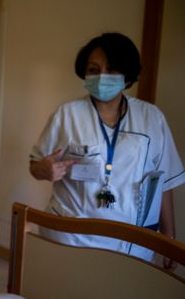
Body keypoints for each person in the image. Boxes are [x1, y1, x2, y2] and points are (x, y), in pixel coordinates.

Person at [29, 32, 184, 267]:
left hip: (130, 241)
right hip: (72, 236)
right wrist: (44, 170)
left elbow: (164, 181)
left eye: (111, 70)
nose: (102, 77)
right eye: (93, 70)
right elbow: (36, 166)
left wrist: (169, 239)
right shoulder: (67, 114)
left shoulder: (151, 118)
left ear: (127, 75)